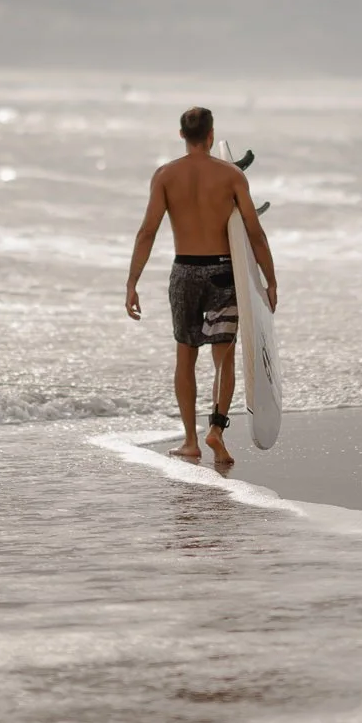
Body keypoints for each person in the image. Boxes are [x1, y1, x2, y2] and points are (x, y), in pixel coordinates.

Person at [125, 106, 278, 466]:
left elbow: (148, 231)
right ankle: (217, 430)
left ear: (182, 135)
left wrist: (132, 282)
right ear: (211, 136)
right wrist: (270, 280)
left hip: (185, 273)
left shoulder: (165, 176)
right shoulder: (231, 177)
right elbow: (254, 233)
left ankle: (191, 440)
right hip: (224, 272)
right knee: (223, 356)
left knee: (185, 355)